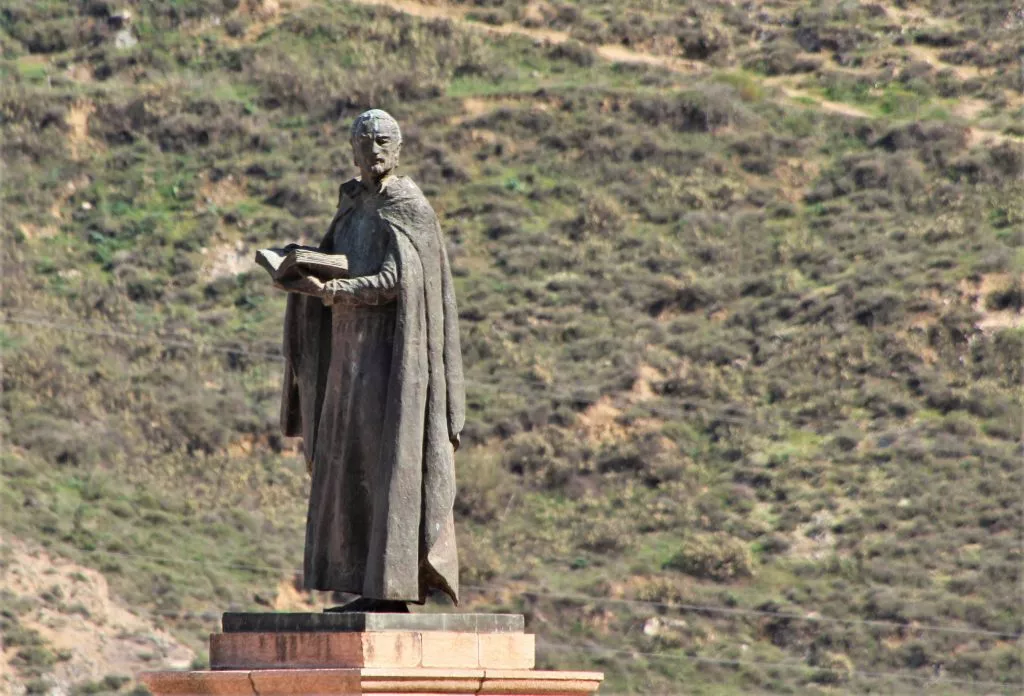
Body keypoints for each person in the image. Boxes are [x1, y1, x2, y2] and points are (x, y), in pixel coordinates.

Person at [275, 109, 464, 612]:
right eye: (365, 141)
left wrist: (334, 290)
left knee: (386, 465)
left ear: (397, 149)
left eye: (383, 140)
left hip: (389, 362)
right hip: (345, 356)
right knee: (346, 464)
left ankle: (393, 588)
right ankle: (365, 585)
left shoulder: (407, 205)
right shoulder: (353, 206)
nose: (374, 149)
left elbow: (396, 280)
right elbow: (342, 257)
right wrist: (303, 263)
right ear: (352, 150)